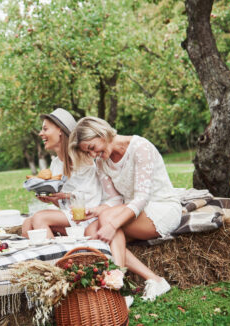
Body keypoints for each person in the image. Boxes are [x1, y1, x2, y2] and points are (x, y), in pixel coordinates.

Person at [69, 116, 182, 301]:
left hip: (161, 208)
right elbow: (115, 198)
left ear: (101, 133)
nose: (93, 154)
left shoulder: (140, 147)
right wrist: (97, 210)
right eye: (88, 152)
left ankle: (117, 287)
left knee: (107, 221)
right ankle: (155, 279)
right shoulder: (101, 162)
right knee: (91, 231)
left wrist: (112, 224)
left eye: (91, 148)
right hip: (133, 211)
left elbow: (142, 197)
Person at [21, 108, 104, 239]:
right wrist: (54, 199)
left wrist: (64, 195)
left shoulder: (82, 159)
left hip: (87, 216)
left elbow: (91, 199)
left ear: (60, 130)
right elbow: (66, 204)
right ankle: (49, 256)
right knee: (27, 225)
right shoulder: (55, 164)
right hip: (71, 215)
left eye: (45, 129)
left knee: (39, 218)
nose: (40, 133)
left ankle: (54, 258)